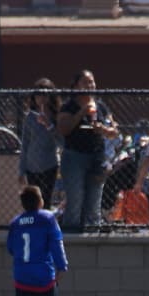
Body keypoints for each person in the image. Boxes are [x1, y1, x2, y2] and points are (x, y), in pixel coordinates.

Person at [6, 185, 68, 296]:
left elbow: (10, 248)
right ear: (41, 202)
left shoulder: (15, 222)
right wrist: (62, 266)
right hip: (43, 276)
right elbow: (57, 243)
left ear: (22, 204)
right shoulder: (48, 219)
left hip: (22, 276)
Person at [56, 69, 121, 233]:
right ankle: (71, 236)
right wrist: (81, 112)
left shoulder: (100, 106)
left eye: (92, 82)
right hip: (74, 158)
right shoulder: (69, 106)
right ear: (76, 86)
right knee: (75, 199)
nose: (90, 85)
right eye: (85, 82)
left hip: (96, 157)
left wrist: (104, 130)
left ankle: (92, 234)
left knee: (94, 201)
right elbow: (63, 129)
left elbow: (114, 131)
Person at [18, 79, 62, 207]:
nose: (41, 98)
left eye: (45, 95)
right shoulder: (30, 118)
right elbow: (25, 144)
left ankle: (45, 224)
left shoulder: (56, 116)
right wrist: (21, 171)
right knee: (33, 201)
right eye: (38, 95)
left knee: (46, 200)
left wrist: (49, 125)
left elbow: (61, 142)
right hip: (32, 167)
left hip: (49, 165)